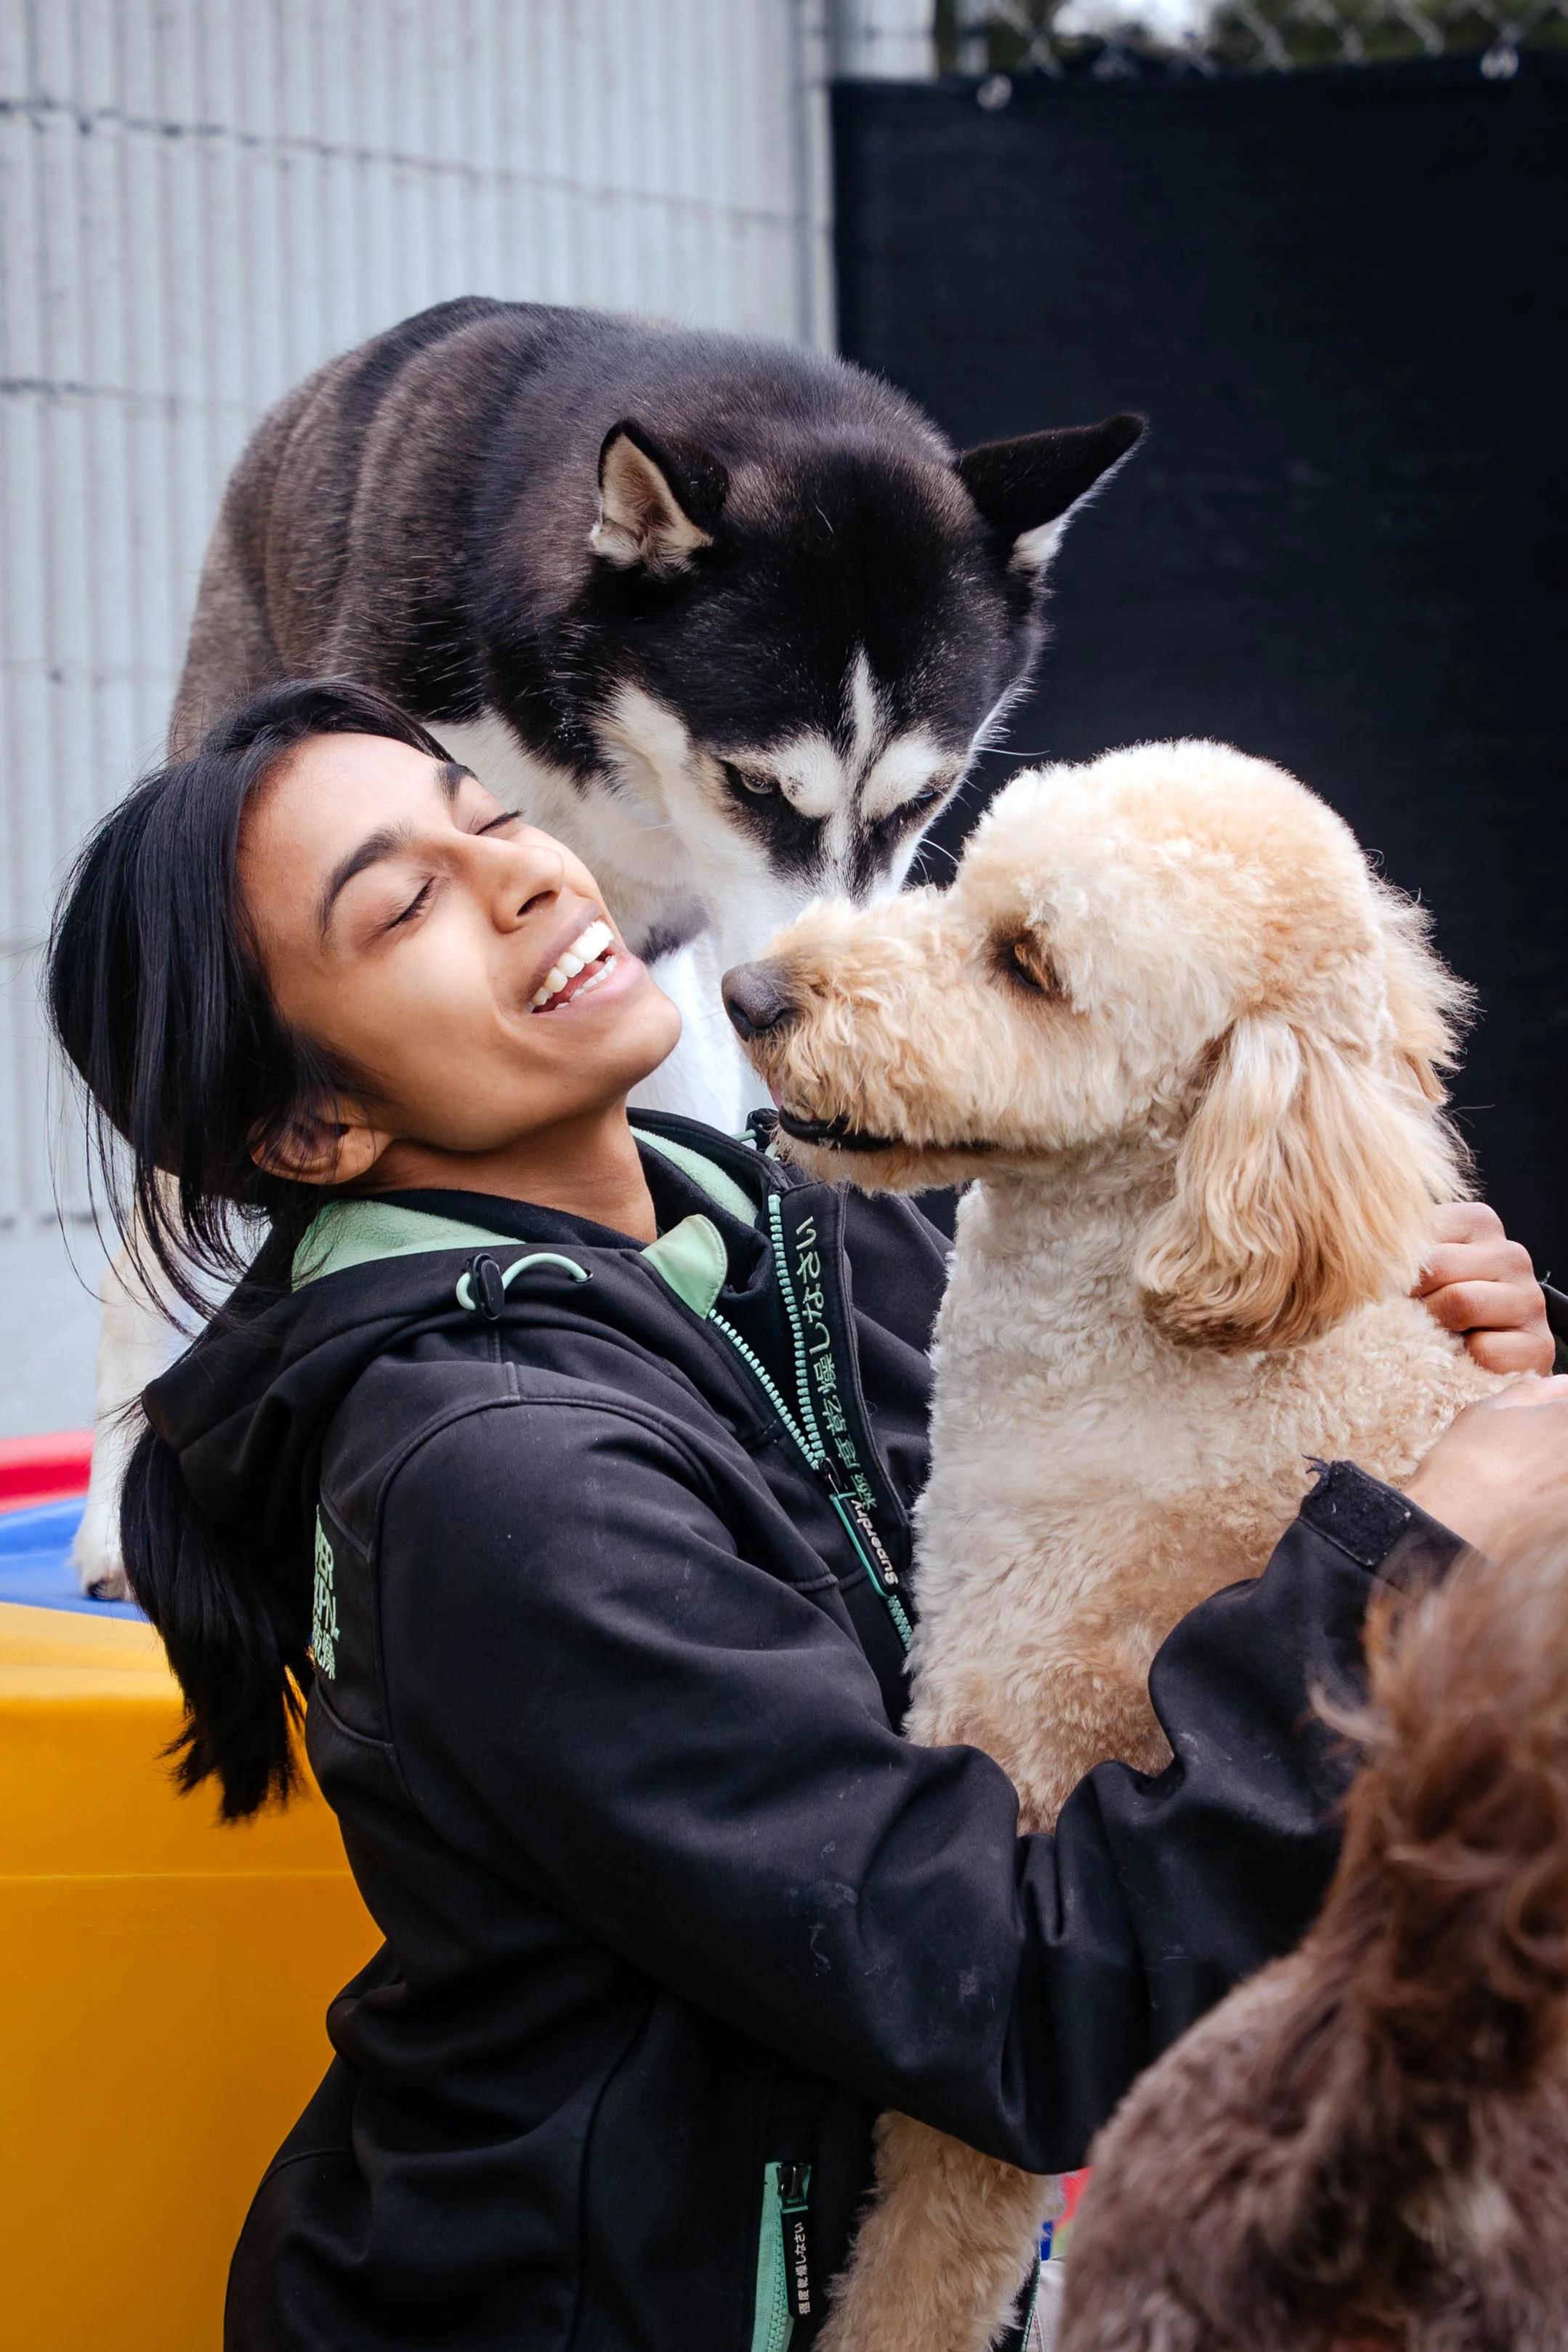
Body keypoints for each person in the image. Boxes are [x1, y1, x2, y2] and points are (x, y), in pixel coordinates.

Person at [47, 679, 1568, 2352]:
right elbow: (1014, 1990)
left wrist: (1410, 1371)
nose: (532, 876)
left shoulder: (819, 1233)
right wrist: (1415, 1559)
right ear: (311, 1124)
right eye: (405, 900)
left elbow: (1127, 1615)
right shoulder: (493, 1484)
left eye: (489, 818)